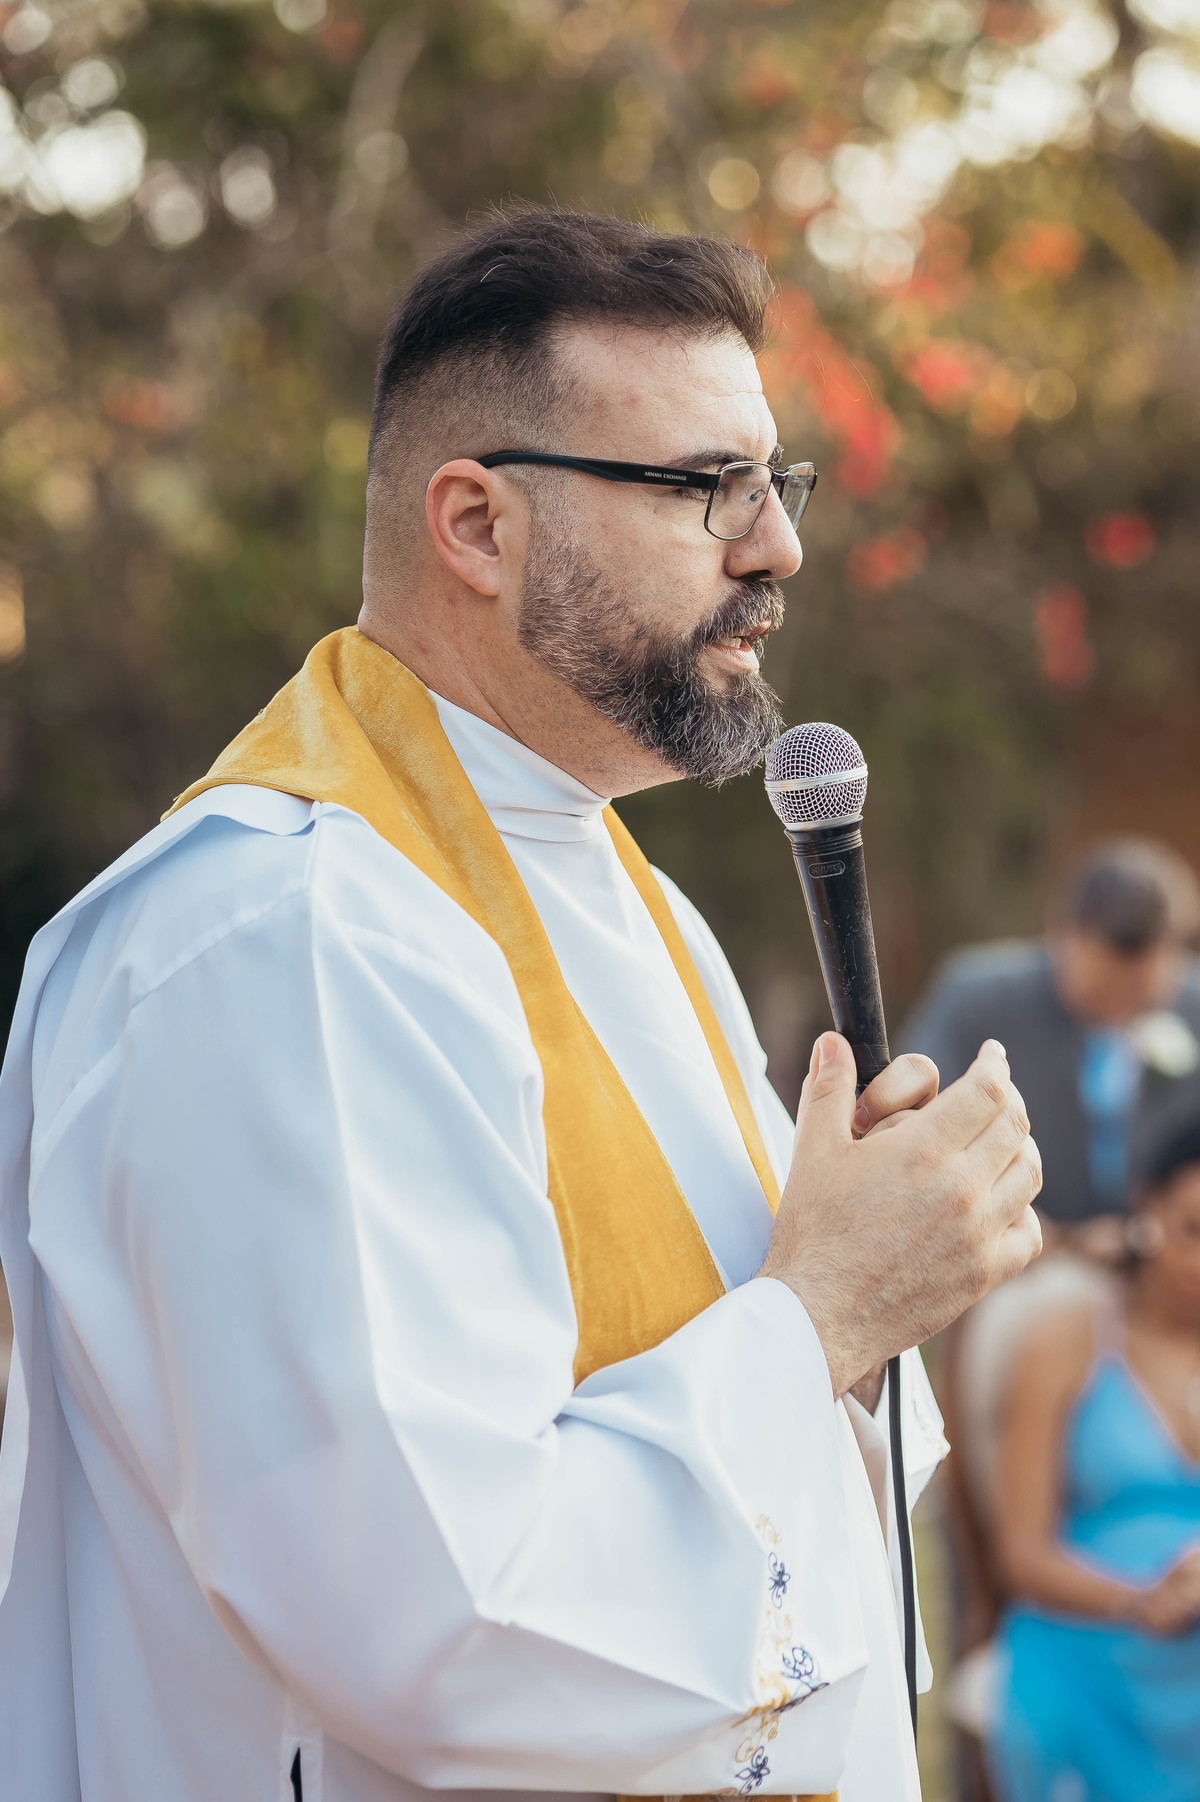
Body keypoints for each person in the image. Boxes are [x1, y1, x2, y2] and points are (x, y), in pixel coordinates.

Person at [0, 210, 1042, 1802]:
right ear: (479, 526)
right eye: (706, 487)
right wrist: (822, 1311)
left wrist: (879, 1264)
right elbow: (436, 1620)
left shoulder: (634, 901)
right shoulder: (286, 938)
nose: (778, 546)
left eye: (779, 479)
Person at [989, 1116, 1200, 1801]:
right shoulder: (1065, 1343)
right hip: (1087, 1640)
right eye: (1193, 1231)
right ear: (1148, 1209)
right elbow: (1021, 1554)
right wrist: (1140, 1602)